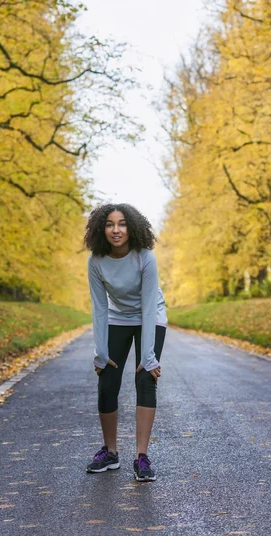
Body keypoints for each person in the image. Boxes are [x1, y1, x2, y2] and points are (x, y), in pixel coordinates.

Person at [84, 203, 167, 482]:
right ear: (101, 228)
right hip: (118, 317)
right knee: (107, 380)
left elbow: (147, 307)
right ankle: (110, 452)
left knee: (145, 378)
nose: (116, 230)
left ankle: (141, 457)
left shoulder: (145, 257)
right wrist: (100, 353)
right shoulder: (96, 260)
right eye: (109, 224)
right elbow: (99, 307)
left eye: (121, 224)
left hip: (150, 315)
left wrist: (148, 357)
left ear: (131, 227)